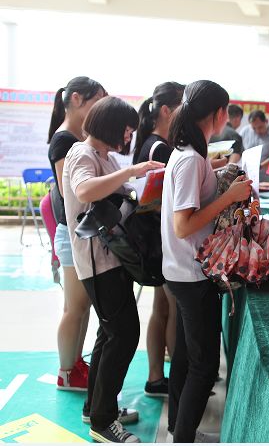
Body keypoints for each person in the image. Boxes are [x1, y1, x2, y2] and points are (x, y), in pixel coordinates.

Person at [64, 96, 164, 442]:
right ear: (110, 125)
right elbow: (84, 189)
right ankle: (104, 422)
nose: (128, 135)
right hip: (98, 261)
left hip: (110, 258)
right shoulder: (83, 154)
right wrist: (132, 172)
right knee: (123, 335)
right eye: (126, 128)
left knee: (110, 335)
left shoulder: (102, 156)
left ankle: (96, 407)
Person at [161, 80, 253, 443]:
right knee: (203, 366)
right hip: (190, 272)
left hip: (185, 270)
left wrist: (214, 174)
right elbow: (184, 224)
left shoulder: (191, 155)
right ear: (217, 115)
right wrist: (229, 194)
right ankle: (183, 436)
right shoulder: (187, 160)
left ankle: (178, 428)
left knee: (186, 356)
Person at [48, 76, 106, 391]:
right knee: (74, 307)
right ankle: (66, 371)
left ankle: (75, 365)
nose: (99, 108)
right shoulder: (64, 141)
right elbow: (71, 192)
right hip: (71, 234)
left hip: (77, 234)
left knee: (81, 307)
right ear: (75, 100)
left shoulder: (74, 137)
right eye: (95, 100)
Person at [133, 82, 185, 398]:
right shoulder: (160, 148)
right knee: (173, 310)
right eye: (183, 105)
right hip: (161, 241)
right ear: (166, 110)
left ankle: (157, 378)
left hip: (156, 240)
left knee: (162, 309)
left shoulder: (154, 143)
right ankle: (178, 381)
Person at [238, 109, 269, 184]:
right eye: (254, 128)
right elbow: (239, 150)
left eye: (260, 127)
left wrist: (259, 166)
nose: (257, 131)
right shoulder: (245, 131)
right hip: (246, 176)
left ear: (266, 121)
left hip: (265, 178)